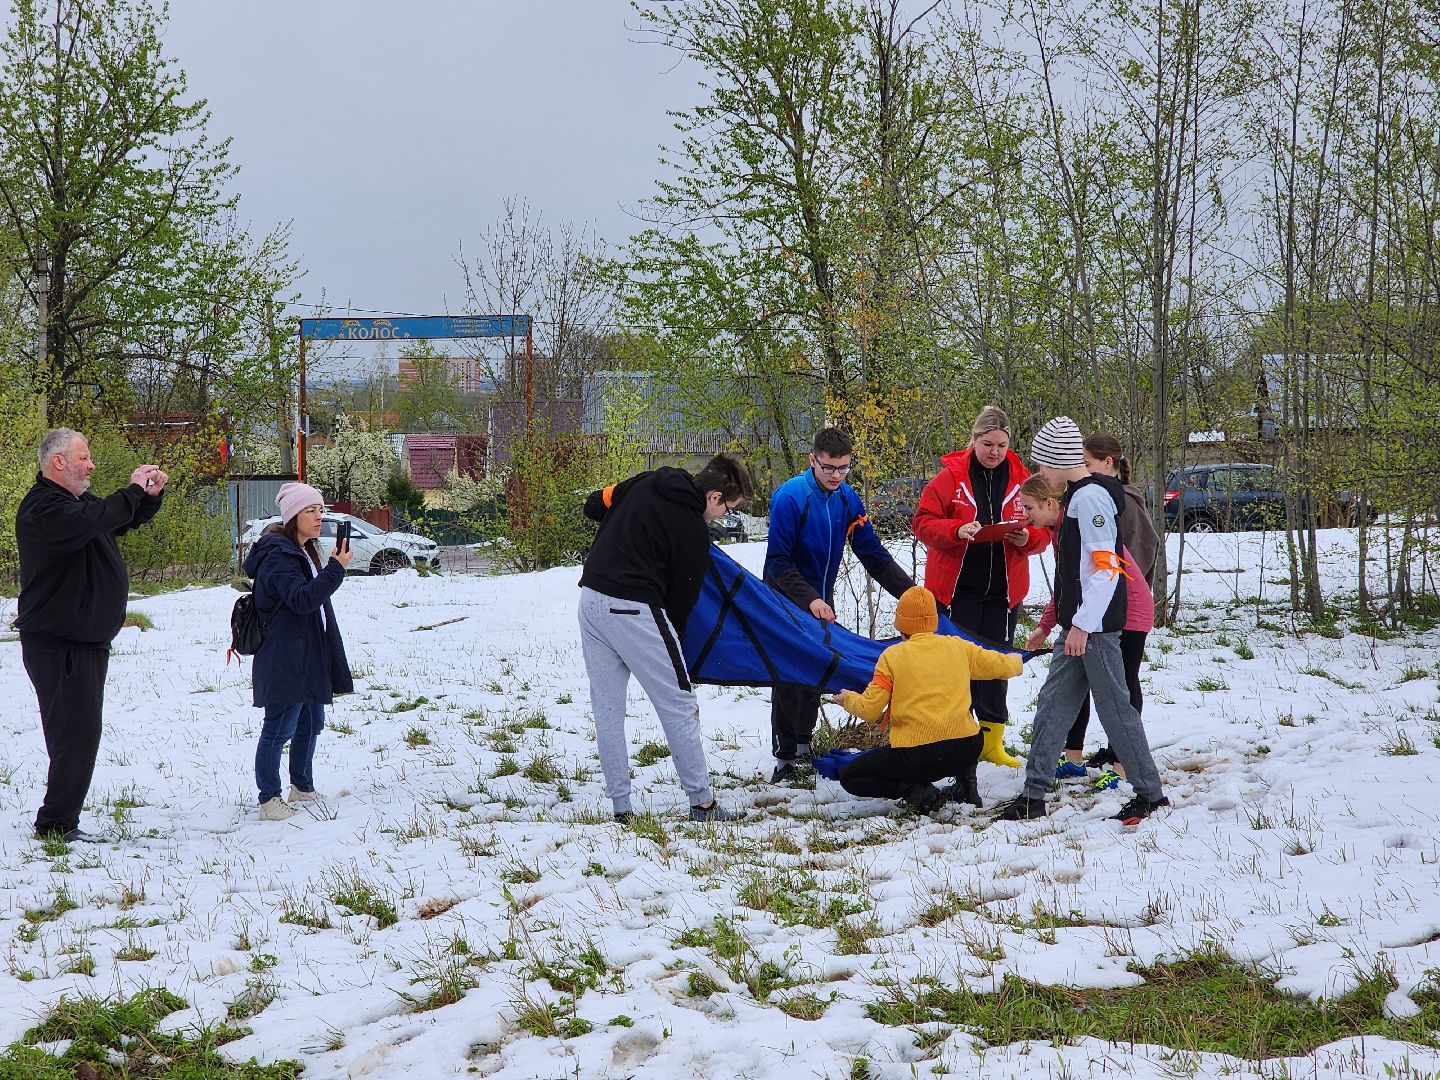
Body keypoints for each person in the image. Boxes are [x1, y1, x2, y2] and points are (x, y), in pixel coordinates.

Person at [994, 417, 1169, 824]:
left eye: (1042, 464)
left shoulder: (1091, 499)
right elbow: (1073, 572)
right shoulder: (1075, 497)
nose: (1040, 473)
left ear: (1057, 460)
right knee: (1053, 704)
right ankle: (1033, 795)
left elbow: (1107, 570)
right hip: (1076, 626)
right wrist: (1061, 623)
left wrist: (1084, 625)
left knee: (1116, 710)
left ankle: (1150, 795)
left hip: (1096, 629)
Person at [579, 454, 754, 822]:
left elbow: (594, 504)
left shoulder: (646, 480)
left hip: (591, 599)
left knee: (607, 709)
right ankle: (702, 803)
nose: (724, 517)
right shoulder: (692, 530)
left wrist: (628, 522)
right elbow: (680, 603)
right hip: (633, 608)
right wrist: (677, 647)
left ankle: (621, 808)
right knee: (679, 704)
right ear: (714, 497)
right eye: (728, 509)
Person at [16, 428, 167, 842]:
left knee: (80, 734)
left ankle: (60, 819)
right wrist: (131, 491)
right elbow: (98, 518)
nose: (91, 465)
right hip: (59, 644)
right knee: (74, 736)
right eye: (84, 457)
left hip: (83, 643)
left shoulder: (75, 504)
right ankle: (56, 824)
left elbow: (115, 519)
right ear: (58, 461)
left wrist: (147, 498)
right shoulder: (44, 509)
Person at [764, 427, 916, 782]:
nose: (836, 475)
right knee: (788, 675)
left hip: (822, 600)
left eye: (844, 467)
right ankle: (785, 758)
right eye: (829, 467)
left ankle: (804, 746)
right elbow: (777, 562)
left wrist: (912, 595)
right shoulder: (790, 497)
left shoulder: (847, 499)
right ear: (812, 460)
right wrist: (810, 599)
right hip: (787, 598)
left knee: (817, 668)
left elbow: (873, 554)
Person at [911, 405, 1050, 768]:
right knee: (956, 668)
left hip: (1003, 594)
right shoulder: (949, 478)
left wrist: (1028, 539)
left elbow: (1045, 529)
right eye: (988, 444)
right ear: (973, 440)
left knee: (996, 664)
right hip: (957, 592)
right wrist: (956, 530)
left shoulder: (1023, 480)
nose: (995, 452)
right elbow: (923, 523)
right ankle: (956, 738)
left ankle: (991, 743)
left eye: (1002, 445)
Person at [828, 587, 1022, 813]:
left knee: (851, 775)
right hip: (966, 750)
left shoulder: (892, 657)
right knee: (964, 727)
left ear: (900, 625)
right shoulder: (959, 647)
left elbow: (869, 709)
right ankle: (967, 787)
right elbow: (1000, 665)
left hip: (916, 757)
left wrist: (847, 699)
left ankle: (916, 791)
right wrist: (1019, 660)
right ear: (934, 621)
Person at [1047, 432, 1161, 783]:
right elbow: (1073, 574)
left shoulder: (1111, 500)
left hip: (1123, 606)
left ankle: (1124, 763)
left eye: (1087, 463)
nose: (1081, 470)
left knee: (1121, 684)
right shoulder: (1081, 499)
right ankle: (1079, 755)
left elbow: (1130, 556)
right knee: (1086, 681)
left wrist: (1115, 595)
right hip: (1097, 607)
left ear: (1106, 463)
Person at [243, 483, 354, 821]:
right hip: (285, 656)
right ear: (293, 516)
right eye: (310, 511)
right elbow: (302, 600)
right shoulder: (279, 555)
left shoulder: (303, 550)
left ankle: (302, 786)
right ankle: (269, 799)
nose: (319, 517)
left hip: (307, 652)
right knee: (278, 728)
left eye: (320, 509)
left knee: (311, 722)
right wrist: (336, 569)